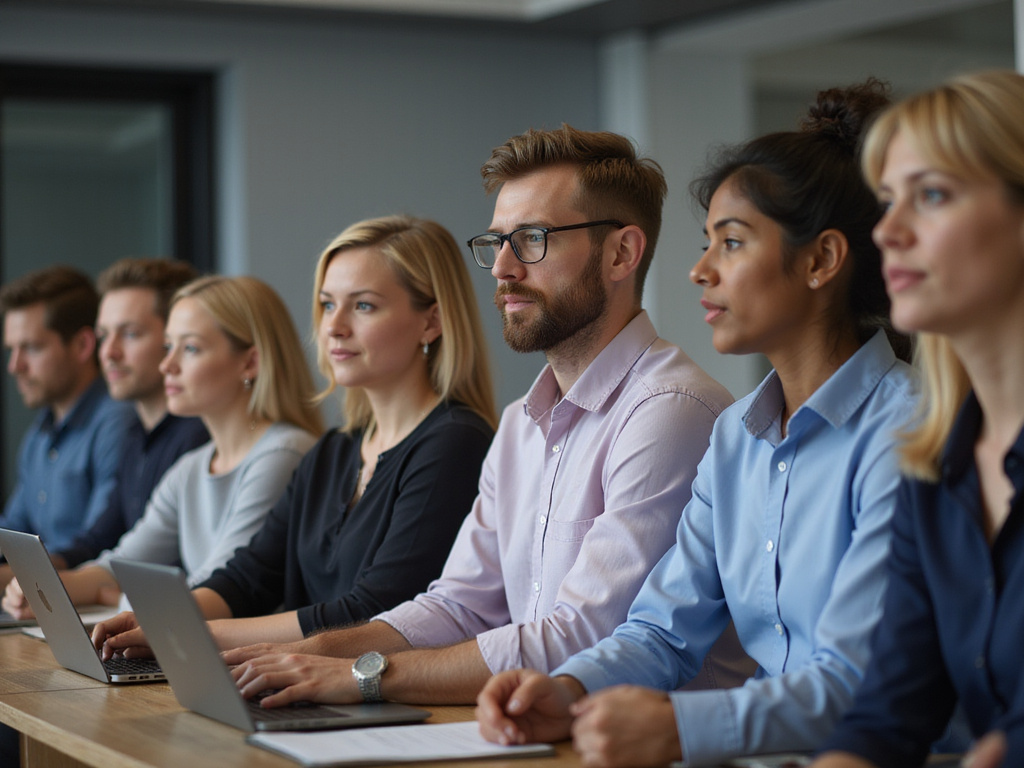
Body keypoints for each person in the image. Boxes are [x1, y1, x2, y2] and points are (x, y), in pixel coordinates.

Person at [219, 124, 743, 709]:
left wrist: (363, 676)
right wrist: (313, 655)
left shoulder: (669, 411)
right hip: (539, 734)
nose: (502, 269)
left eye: (534, 239)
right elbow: (458, 605)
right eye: (497, 243)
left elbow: (586, 639)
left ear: (621, 253)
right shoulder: (521, 423)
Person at [476, 81, 918, 767]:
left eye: (731, 243)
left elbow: (857, 680)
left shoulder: (909, 430)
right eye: (707, 241)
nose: (699, 270)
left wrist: (683, 728)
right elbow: (660, 631)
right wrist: (565, 689)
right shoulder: (737, 437)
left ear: (821, 261)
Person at [90, 215, 496, 652]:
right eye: (326, 304)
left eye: (363, 306)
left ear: (431, 322)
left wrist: (191, 632)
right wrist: (164, 616)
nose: (333, 326)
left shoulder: (455, 442)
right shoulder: (334, 451)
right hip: (305, 687)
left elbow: (374, 610)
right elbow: (250, 577)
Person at [811, 69, 1024, 768]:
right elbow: (885, 716)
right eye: (887, 201)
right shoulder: (934, 465)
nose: (888, 233)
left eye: (931, 196)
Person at [29, 275, 322, 609]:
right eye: (169, 347)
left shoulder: (284, 453)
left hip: (247, 656)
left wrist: (114, 598)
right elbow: (123, 564)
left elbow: (222, 584)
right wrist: (38, 591)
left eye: (191, 348)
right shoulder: (193, 466)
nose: (167, 365)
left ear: (250, 362)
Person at [0, 259, 209, 616]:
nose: (108, 352)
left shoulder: (184, 437)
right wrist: (38, 580)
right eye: (104, 335)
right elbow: (102, 542)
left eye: (130, 334)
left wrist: (55, 584)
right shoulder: (134, 435)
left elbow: (201, 577)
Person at [0, 266, 135, 574]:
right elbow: (13, 535)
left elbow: (93, 548)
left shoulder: (118, 423)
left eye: (31, 348)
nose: (15, 366)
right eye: (12, 350)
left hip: (82, 601)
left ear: (83, 346)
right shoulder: (39, 434)